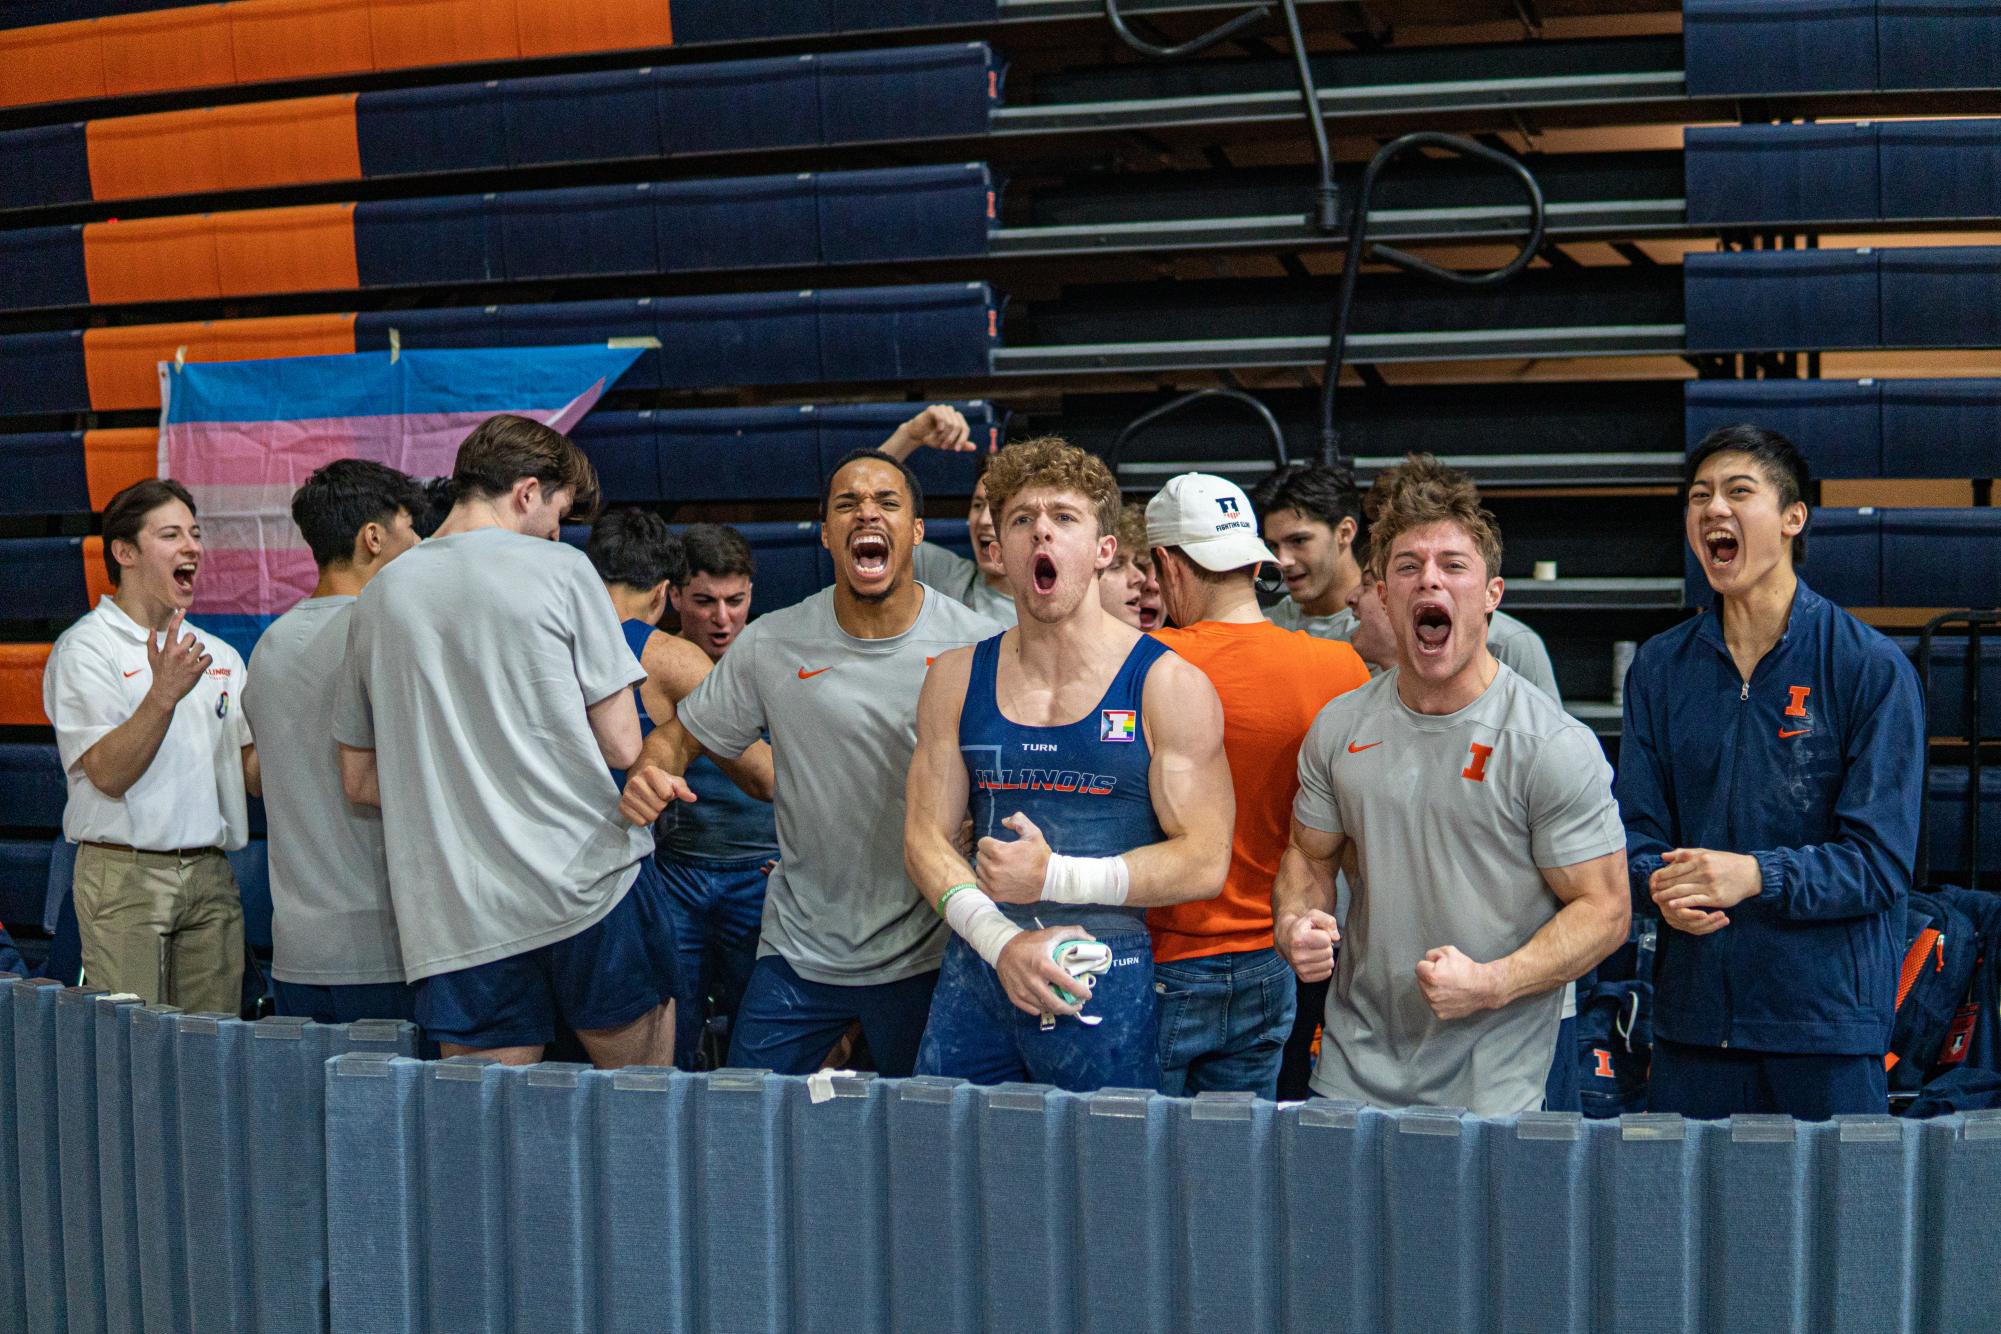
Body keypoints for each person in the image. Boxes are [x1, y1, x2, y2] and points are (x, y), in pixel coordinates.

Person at [621, 449, 1000, 1076]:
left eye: (887, 502)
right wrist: (651, 767)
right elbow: (678, 735)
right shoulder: (773, 643)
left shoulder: (975, 644)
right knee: (745, 1120)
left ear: (917, 532)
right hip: (798, 950)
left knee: (926, 1140)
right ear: (826, 534)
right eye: (847, 504)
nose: (866, 513)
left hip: (926, 950)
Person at [1272, 456, 1628, 1114]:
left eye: (1452, 566)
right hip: (1354, 1070)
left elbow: (1605, 910)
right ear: (1380, 592)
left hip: (1499, 1078)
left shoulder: (1546, 744)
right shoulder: (1340, 726)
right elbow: (1308, 854)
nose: (1428, 579)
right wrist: (1297, 919)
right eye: (1406, 566)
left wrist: (1493, 982)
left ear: (1491, 593)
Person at [333, 415, 676, 1069]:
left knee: (486, 1147)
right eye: (559, 512)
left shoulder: (379, 597)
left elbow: (359, 779)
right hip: (585, 885)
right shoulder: (561, 569)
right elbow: (622, 745)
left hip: (458, 911)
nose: (557, 530)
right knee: (644, 1115)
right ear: (525, 492)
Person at [904, 438, 1233, 1093]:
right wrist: (1002, 943)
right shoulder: (955, 677)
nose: (1041, 531)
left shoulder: (1166, 685)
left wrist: (1055, 875)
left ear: (1104, 550)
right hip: (982, 960)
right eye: (1023, 519)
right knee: (936, 1173)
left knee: (1103, 1183)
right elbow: (922, 837)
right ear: (999, 548)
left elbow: (1205, 859)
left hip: (1104, 972)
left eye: (1063, 517)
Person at [1617, 425, 1924, 1119]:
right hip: (1690, 1028)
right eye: (1698, 496)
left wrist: (1756, 874)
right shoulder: (1659, 670)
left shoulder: (1868, 669)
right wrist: (1657, 885)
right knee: (1686, 1230)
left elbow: (1878, 864)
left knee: (1836, 1229)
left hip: (1824, 1033)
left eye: (1737, 492)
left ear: (1792, 518)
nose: (1711, 510)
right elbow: (1632, 839)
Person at [1143, 472, 1371, 1097]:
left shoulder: (1145, 666)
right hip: (1278, 959)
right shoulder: (1340, 666)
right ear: (1253, 560)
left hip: (1169, 957)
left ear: (1168, 564)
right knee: (1233, 1173)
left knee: (1134, 1170)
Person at [43, 478, 257, 1012]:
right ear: (125, 552)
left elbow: (252, 775)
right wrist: (161, 696)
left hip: (210, 873)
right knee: (133, 1055)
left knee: (215, 1051)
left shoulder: (220, 653)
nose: (192, 547)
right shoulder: (85, 649)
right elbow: (108, 775)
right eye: (171, 535)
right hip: (124, 876)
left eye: (196, 534)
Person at [586, 513, 775, 1070]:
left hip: (759, 871)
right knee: (674, 1029)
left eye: (735, 601)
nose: (721, 619)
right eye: (704, 602)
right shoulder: (661, 661)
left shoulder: (782, 657)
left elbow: (793, 779)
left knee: (764, 1038)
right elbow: (769, 775)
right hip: (676, 873)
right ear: (672, 597)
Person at [244, 460, 425, 1025]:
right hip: (382, 950)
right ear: (373, 537)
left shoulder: (268, 647)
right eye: (410, 529)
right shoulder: (384, 634)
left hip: (298, 952)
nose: (420, 544)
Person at [882, 404, 1018, 626]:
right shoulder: (946, 576)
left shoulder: (1054, 608)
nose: (984, 520)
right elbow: (853, 523)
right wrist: (908, 436)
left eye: (1000, 509)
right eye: (977, 505)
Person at [1251, 462, 1368, 638]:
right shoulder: (1269, 626)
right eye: (1274, 545)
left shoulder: (1385, 630)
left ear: (1344, 533)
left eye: (1298, 540)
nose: (1282, 561)